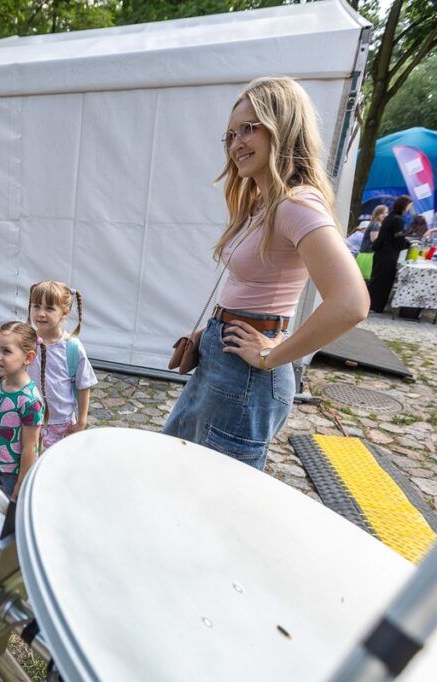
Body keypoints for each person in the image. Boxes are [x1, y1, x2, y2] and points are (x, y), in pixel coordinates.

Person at [160, 77, 368, 470]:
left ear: (283, 127)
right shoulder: (263, 203)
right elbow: (255, 286)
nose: (237, 142)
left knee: (213, 497)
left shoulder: (297, 205)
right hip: (224, 359)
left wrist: (272, 355)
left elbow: (351, 303)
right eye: (231, 134)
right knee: (178, 473)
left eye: (250, 128)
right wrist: (212, 331)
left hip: (247, 380)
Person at [27, 281, 98, 449]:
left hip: (61, 423)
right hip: (28, 417)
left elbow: (83, 385)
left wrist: (81, 421)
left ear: (64, 312)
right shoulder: (26, 342)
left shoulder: (72, 348)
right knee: (31, 464)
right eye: (36, 306)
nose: (41, 313)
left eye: (49, 308)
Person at [0, 322, 45, 499]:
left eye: (6, 351)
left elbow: (30, 448)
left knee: (11, 513)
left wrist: (22, 482)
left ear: (28, 358)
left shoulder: (29, 401)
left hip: (14, 473)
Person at [367, 195, 413, 313]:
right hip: (389, 253)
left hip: (381, 251)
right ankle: (375, 306)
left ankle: (369, 303)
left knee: (376, 279)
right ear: (405, 206)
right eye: (410, 206)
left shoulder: (390, 217)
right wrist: (408, 244)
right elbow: (398, 238)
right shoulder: (398, 220)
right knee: (384, 280)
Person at [356, 204, 387, 280]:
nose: (386, 215)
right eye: (384, 213)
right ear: (378, 214)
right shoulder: (377, 225)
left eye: (386, 213)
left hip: (366, 255)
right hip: (369, 256)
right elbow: (374, 240)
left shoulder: (375, 224)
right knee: (366, 282)